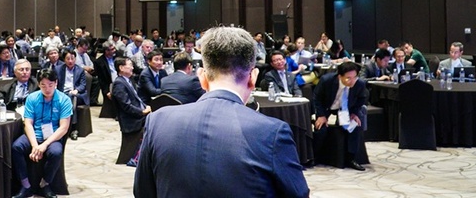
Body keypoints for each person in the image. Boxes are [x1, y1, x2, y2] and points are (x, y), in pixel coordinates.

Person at [134, 26, 309, 198]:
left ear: (202, 77)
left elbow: (142, 192)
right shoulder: (272, 132)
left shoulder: (158, 121)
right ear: (253, 78)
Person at [11, 69, 73, 198]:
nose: (47, 89)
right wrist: (35, 145)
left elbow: (63, 128)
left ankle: (45, 184)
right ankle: (25, 185)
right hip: (35, 134)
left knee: (56, 152)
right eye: (43, 85)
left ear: (56, 83)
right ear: (39, 84)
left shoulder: (64, 100)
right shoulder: (32, 98)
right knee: (16, 147)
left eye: (50, 85)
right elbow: (28, 123)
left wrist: (44, 145)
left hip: (53, 137)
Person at [313, 61, 367, 171]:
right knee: (321, 129)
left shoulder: (359, 84)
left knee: (355, 126)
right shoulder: (326, 80)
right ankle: (315, 156)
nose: (352, 81)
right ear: (340, 76)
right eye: (348, 78)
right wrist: (321, 115)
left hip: (346, 109)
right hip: (327, 107)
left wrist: (354, 113)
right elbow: (316, 98)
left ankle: (351, 159)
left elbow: (362, 98)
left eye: (354, 77)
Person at [112, 57, 151, 166]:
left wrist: (145, 107)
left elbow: (137, 99)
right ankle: (137, 157)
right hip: (130, 121)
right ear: (121, 67)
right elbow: (126, 106)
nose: (132, 67)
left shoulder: (129, 80)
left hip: (137, 116)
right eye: (130, 65)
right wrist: (142, 112)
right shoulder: (119, 84)